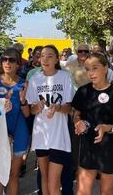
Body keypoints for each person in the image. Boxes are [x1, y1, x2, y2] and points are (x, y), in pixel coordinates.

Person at [72, 52, 113, 195]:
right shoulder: (83, 91)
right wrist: (78, 122)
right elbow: (77, 114)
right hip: (88, 147)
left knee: (106, 192)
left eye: (95, 68)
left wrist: (107, 128)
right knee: (82, 191)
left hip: (110, 147)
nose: (91, 73)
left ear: (105, 68)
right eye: (87, 69)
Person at [26, 45, 74, 195]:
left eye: (50, 56)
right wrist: (37, 107)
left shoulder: (65, 77)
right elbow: (31, 110)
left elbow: (69, 108)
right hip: (41, 135)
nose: (45, 59)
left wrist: (58, 108)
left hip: (59, 135)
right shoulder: (34, 79)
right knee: (44, 178)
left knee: (54, 184)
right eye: (42, 56)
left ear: (57, 59)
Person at [0, 48, 30, 195]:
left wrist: (23, 101)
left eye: (11, 60)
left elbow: (27, 113)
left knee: (13, 175)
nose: (7, 62)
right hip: (0, 131)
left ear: (18, 64)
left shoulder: (24, 84)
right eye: (4, 59)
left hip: (19, 130)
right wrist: (0, 108)